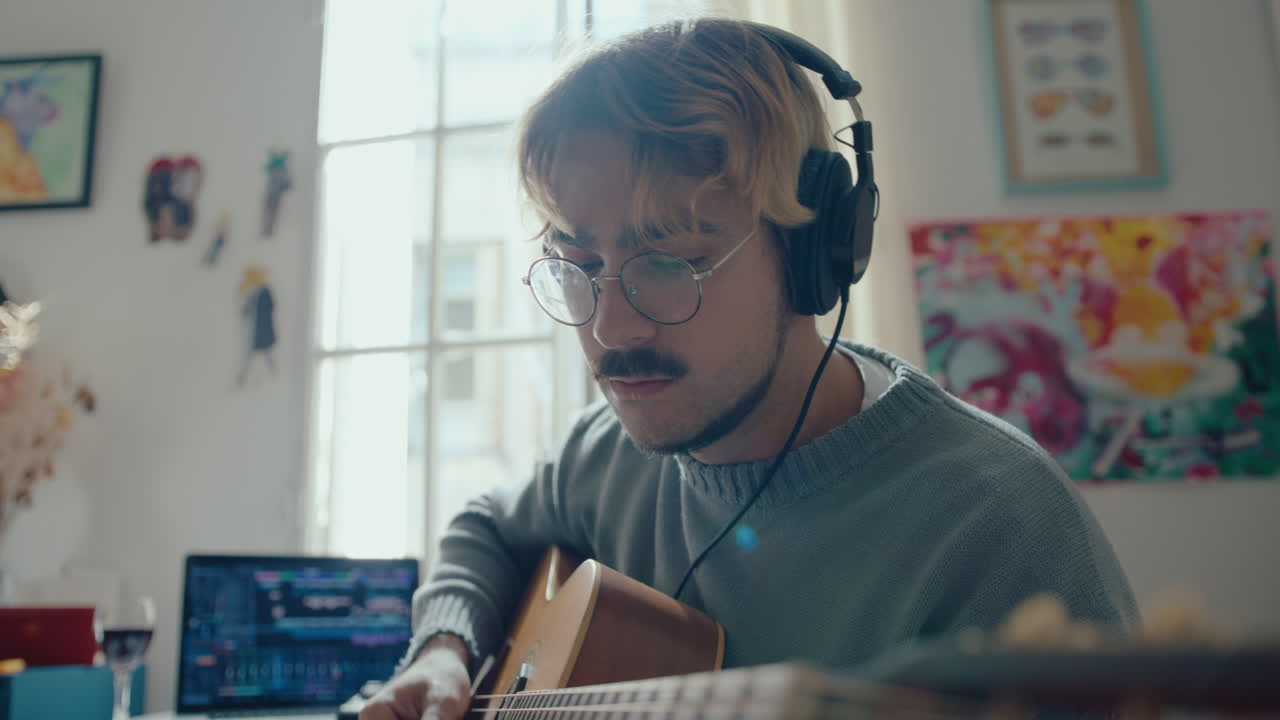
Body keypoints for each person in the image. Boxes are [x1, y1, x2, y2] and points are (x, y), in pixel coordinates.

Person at [359, 17, 1136, 720]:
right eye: (578, 263)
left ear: (810, 256)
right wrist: (443, 649)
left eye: (670, 260)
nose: (609, 327)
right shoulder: (603, 456)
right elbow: (486, 529)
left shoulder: (1000, 524)